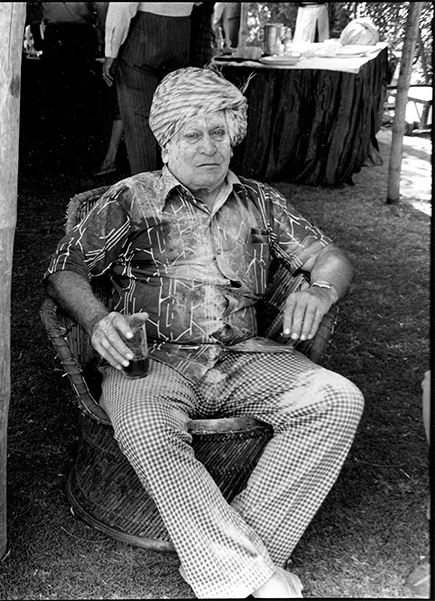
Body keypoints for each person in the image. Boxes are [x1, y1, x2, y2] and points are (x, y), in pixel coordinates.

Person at [44, 66, 364, 598]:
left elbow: (329, 256)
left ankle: (237, 563)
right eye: (192, 134)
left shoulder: (260, 200)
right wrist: (99, 320)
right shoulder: (131, 196)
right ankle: (257, 577)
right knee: (147, 427)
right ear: (166, 140)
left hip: (247, 356)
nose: (208, 147)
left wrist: (322, 291)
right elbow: (64, 269)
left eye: (219, 132)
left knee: (336, 400)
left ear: (233, 137)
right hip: (153, 358)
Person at [102, 2, 194, 177]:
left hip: (145, 31)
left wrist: (111, 52)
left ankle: (146, 189)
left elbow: (121, 6)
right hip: (181, 29)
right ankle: (176, 184)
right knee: (173, 117)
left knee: (138, 118)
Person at [28, 2, 102, 166]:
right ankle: (71, 154)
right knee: (76, 98)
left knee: (60, 97)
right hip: (75, 34)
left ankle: (62, 154)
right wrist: (102, 33)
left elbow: (34, 9)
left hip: (63, 34)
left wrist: (37, 35)